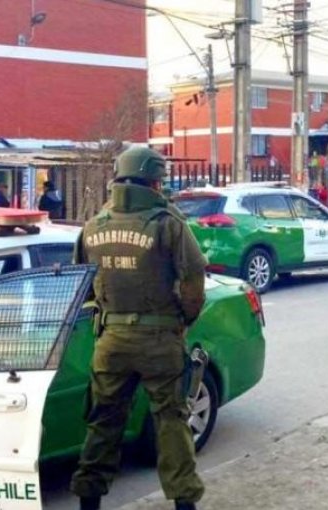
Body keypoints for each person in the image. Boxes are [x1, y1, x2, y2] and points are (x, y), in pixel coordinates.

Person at [70, 147, 207, 510]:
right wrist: (183, 318)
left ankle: (88, 501)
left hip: (111, 341)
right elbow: (194, 278)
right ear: (153, 180)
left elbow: (82, 283)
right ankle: (183, 503)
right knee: (171, 422)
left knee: (103, 423)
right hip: (159, 340)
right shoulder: (167, 223)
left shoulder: (94, 225)